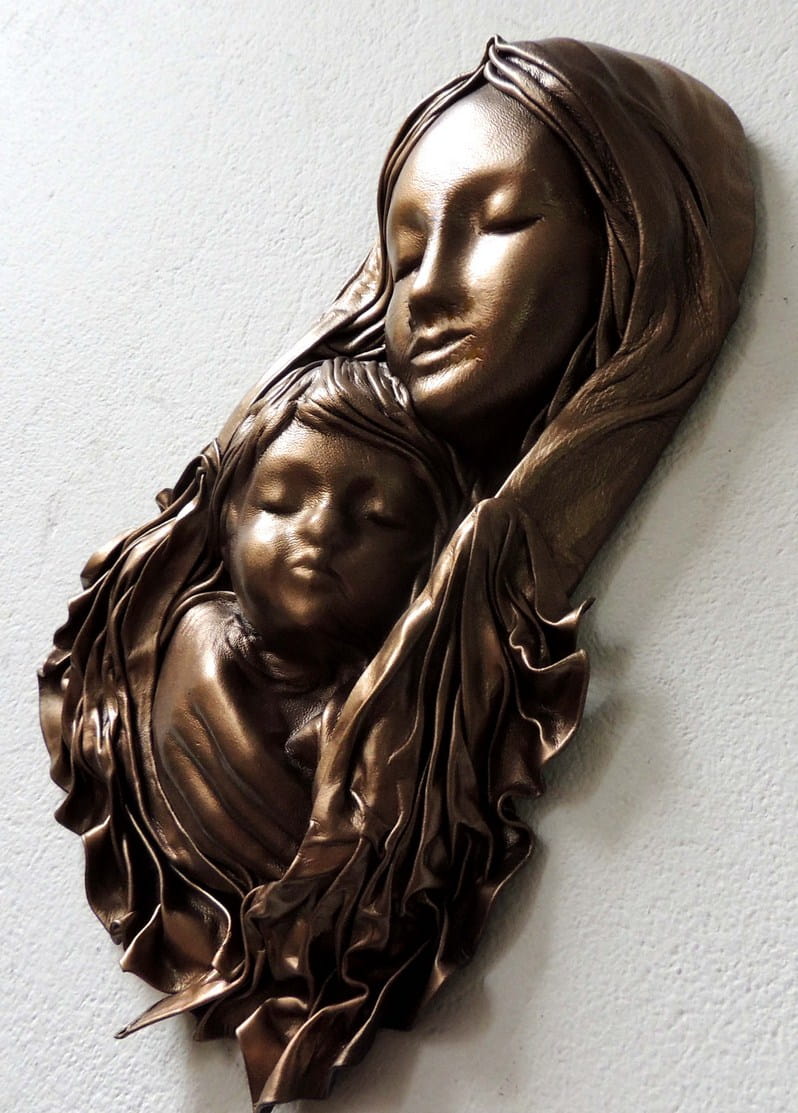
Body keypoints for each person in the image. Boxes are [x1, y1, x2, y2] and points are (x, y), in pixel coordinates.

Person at [40, 37, 755, 1110]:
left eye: (498, 224)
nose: (428, 289)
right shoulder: (205, 591)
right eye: (406, 247)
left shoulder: (468, 570)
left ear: (632, 238)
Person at [150, 358, 468, 892]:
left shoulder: (416, 706)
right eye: (283, 502)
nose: (321, 528)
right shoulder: (197, 652)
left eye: (378, 516)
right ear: (228, 520)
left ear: (429, 555)